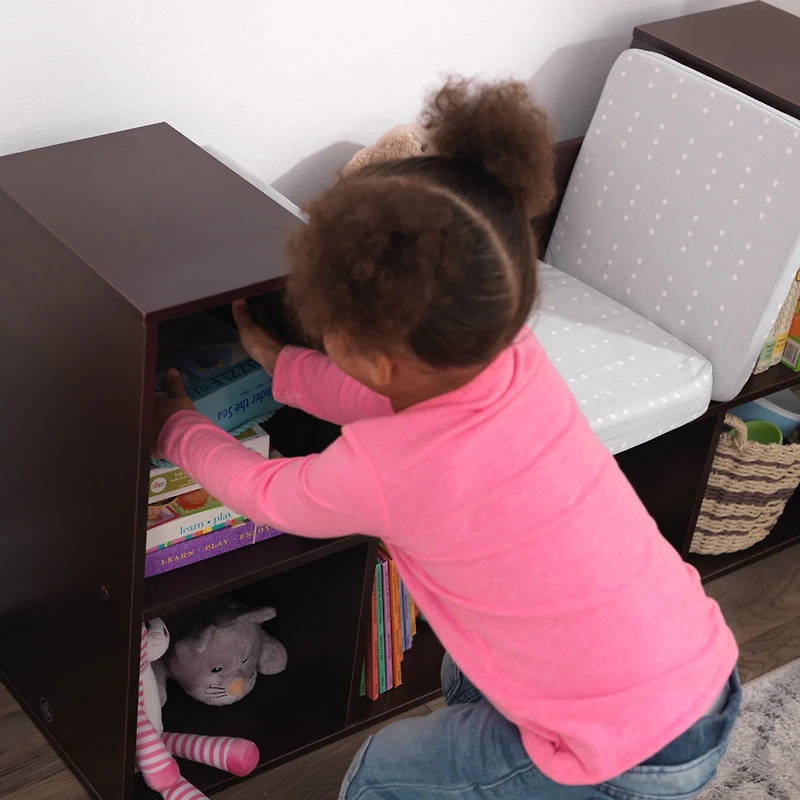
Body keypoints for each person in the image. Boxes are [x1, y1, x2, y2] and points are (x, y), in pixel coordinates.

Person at [154, 78, 740, 800]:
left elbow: (263, 491)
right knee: (466, 675)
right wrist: (286, 368)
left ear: (362, 348)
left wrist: (176, 424)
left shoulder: (382, 470)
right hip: (694, 662)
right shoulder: (516, 359)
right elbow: (386, 399)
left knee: (383, 775)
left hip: (623, 747)